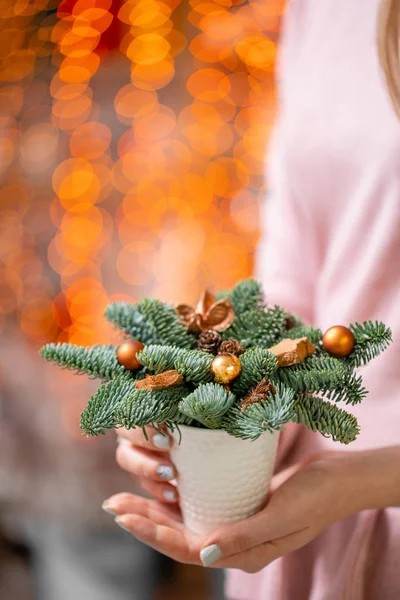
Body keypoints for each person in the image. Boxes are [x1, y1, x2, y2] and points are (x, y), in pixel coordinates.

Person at [101, 1, 400, 598]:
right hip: (303, 527)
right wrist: (241, 405)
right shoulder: (324, 10)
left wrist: (370, 479)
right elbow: (297, 266)